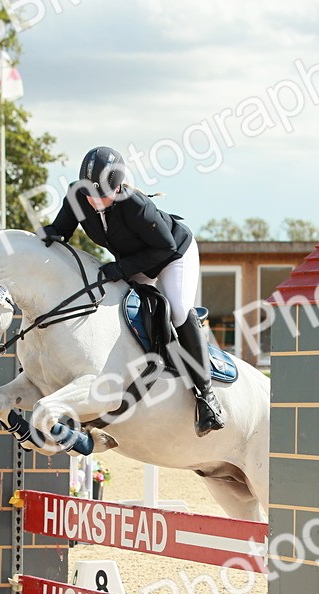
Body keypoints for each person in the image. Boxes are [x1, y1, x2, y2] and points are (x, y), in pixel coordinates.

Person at [40, 146, 225, 436]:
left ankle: (206, 398)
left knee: (177, 310)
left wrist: (122, 269)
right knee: (114, 305)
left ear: (117, 186)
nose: (93, 201)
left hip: (173, 256)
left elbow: (166, 248)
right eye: (89, 194)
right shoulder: (79, 196)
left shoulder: (135, 204)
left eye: (101, 195)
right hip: (135, 260)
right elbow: (60, 230)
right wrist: (45, 238)